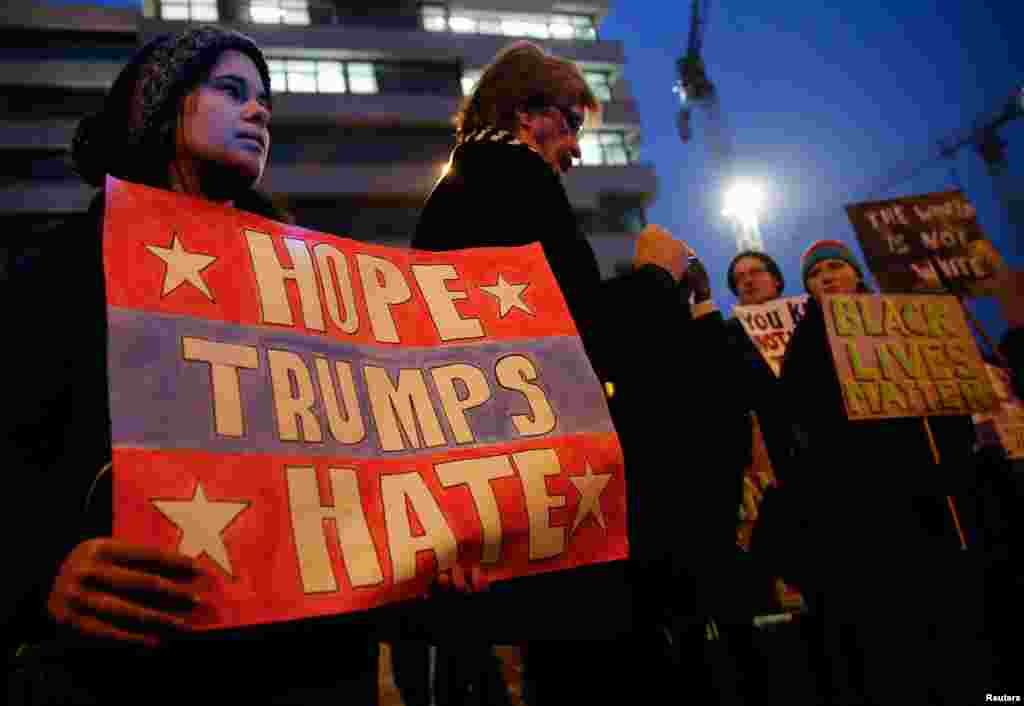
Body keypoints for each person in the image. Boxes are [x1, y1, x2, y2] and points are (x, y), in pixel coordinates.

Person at [4, 27, 378, 704]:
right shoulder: (65, 266)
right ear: (161, 107)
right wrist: (41, 572)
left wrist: (440, 545)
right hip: (138, 669)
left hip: (314, 666)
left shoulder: (312, 279)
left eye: (264, 99)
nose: (260, 111)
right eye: (231, 90)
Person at [411, 40, 742, 704]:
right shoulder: (514, 180)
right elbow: (576, 338)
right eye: (571, 123)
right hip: (560, 509)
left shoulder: (463, 191)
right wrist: (654, 275)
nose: (578, 150)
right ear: (530, 113)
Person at [762, 238, 991, 705]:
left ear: (857, 275)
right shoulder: (807, 339)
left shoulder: (901, 320)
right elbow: (799, 412)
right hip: (862, 498)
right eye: (816, 274)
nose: (827, 277)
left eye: (835, 268)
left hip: (930, 485)